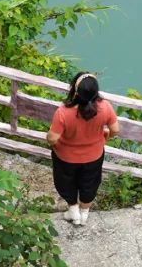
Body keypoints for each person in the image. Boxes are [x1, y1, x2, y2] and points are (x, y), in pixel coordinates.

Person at [46, 72, 120, 226]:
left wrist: (55, 145)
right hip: (93, 156)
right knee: (90, 183)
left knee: (66, 182)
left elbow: (52, 138)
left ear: (75, 90)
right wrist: (106, 136)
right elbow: (115, 129)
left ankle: (73, 211)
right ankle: (84, 214)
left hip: (65, 157)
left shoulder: (63, 112)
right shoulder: (105, 107)